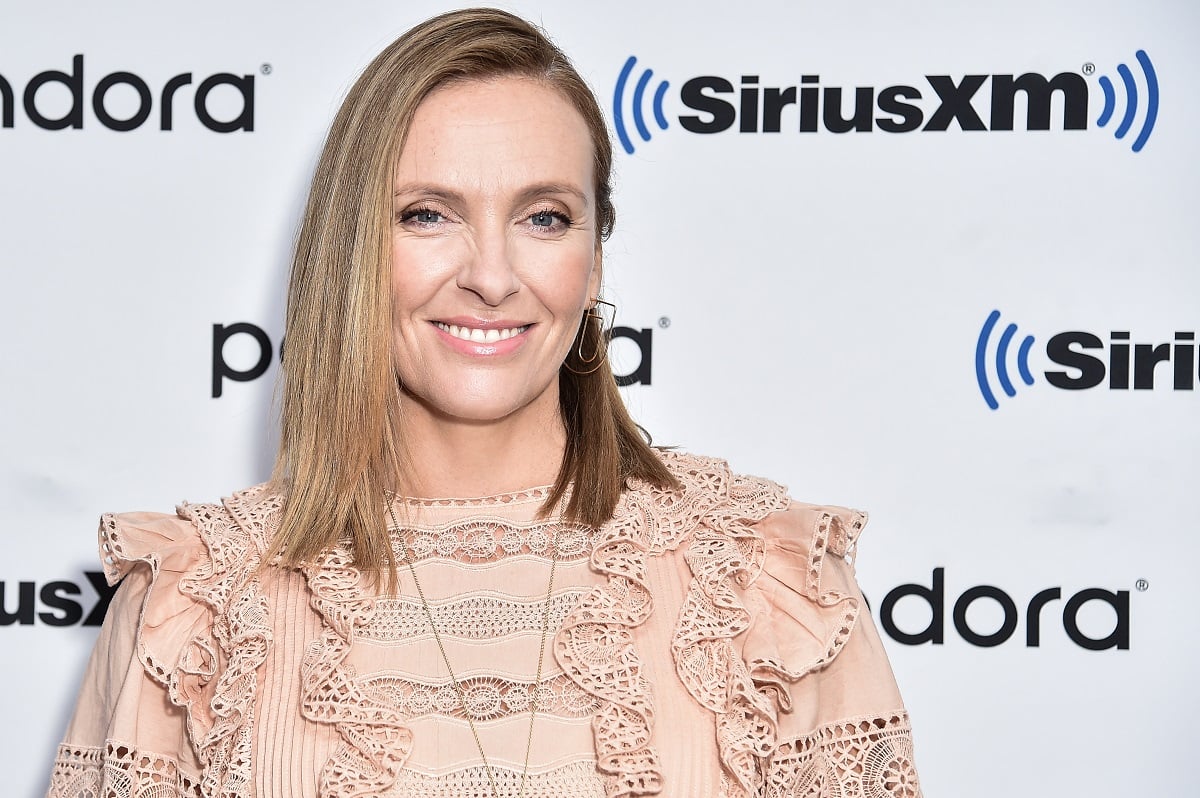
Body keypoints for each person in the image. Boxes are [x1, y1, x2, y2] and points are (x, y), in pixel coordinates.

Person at [46, 8, 921, 798]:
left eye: (544, 218)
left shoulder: (766, 588)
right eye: (428, 214)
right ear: (351, 251)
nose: (493, 278)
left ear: (595, 259)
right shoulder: (194, 608)